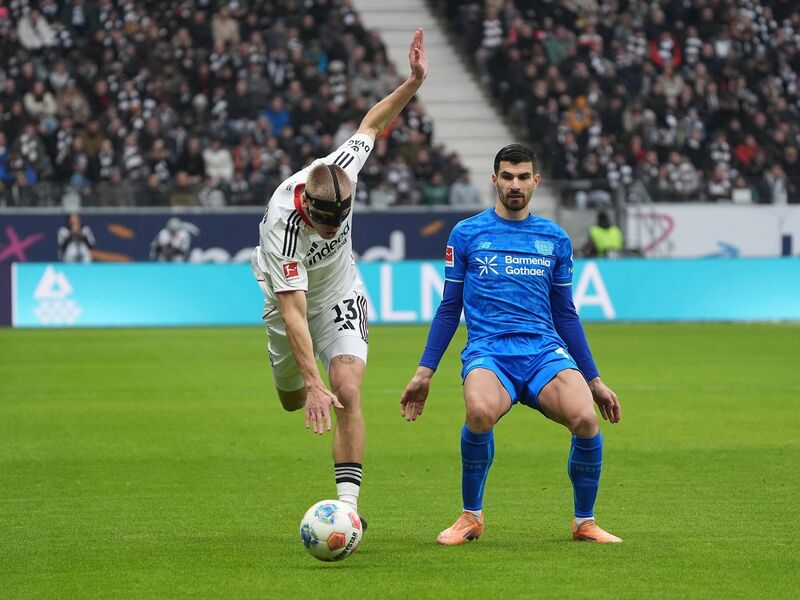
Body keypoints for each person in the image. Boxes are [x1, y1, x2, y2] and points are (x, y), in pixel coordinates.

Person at [400, 144, 622, 545]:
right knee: (480, 411)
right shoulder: (466, 234)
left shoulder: (555, 238)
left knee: (586, 420)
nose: (515, 184)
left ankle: (584, 522)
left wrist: (595, 379)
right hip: (489, 351)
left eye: (523, 177)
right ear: (495, 179)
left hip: (542, 352)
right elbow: (450, 308)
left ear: (535, 181)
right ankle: (471, 517)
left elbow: (566, 314)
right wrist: (423, 371)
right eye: (507, 176)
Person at [250, 29, 428, 525]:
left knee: (346, 390)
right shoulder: (281, 225)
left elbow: (373, 122)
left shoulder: (340, 168)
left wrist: (412, 82)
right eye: (324, 223)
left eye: (339, 221)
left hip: (341, 292)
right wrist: (309, 383)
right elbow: (292, 311)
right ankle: (298, 383)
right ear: (306, 204)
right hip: (292, 306)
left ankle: (347, 510)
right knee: (292, 401)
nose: (332, 229)